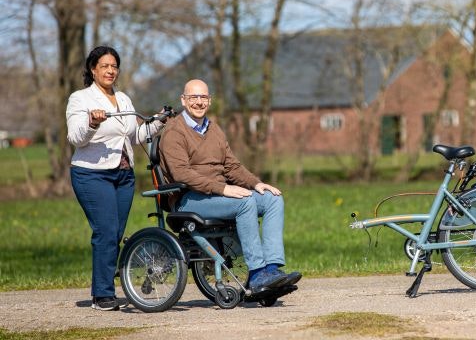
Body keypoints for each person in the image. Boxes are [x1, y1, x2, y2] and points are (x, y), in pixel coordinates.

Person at [159, 79, 301, 293]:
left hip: (216, 196)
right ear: (183, 100)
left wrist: (257, 183)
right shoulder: (174, 131)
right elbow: (182, 174)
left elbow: (231, 166)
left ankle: (272, 270)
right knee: (244, 202)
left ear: (210, 100)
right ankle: (257, 274)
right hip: (189, 198)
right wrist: (223, 189)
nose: (199, 102)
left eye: (203, 97)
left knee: (273, 199)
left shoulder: (213, 128)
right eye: (193, 97)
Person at [67, 46, 165, 311]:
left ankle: (106, 282)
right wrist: (92, 122)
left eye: (114, 66)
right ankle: (102, 295)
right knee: (106, 231)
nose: (110, 71)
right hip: (91, 174)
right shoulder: (80, 99)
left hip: (123, 175)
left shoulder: (123, 99)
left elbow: (133, 136)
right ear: (93, 69)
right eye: (105, 66)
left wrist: (158, 122)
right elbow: (76, 137)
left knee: (116, 232)